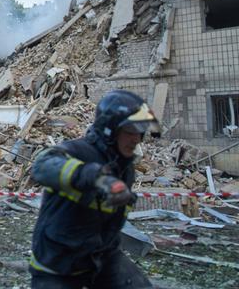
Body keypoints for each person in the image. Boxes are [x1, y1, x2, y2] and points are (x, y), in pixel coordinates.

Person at [29, 90, 160, 289]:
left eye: (140, 133)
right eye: (130, 131)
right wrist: (94, 177)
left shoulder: (125, 168)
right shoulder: (78, 151)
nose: (136, 139)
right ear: (110, 129)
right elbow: (41, 166)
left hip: (104, 257)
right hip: (58, 264)